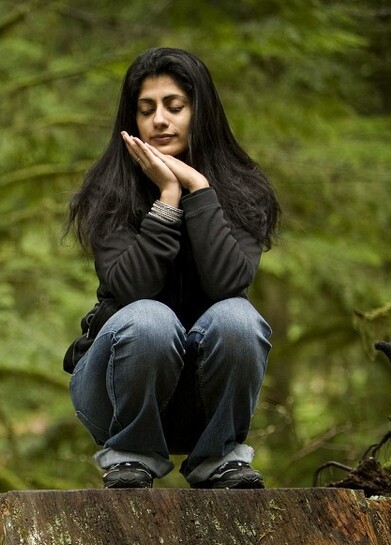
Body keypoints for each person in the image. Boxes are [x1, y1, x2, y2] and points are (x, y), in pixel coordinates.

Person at [63, 47, 279, 490]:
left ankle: (219, 457)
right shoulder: (110, 190)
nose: (160, 120)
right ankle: (130, 454)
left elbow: (228, 283)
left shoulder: (244, 189)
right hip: (117, 394)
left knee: (239, 318)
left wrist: (199, 189)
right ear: (132, 120)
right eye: (146, 110)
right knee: (149, 318)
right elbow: (130, 287)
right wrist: (167, 198)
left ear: (201, 112)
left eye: (174, 107)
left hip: (204, 400)